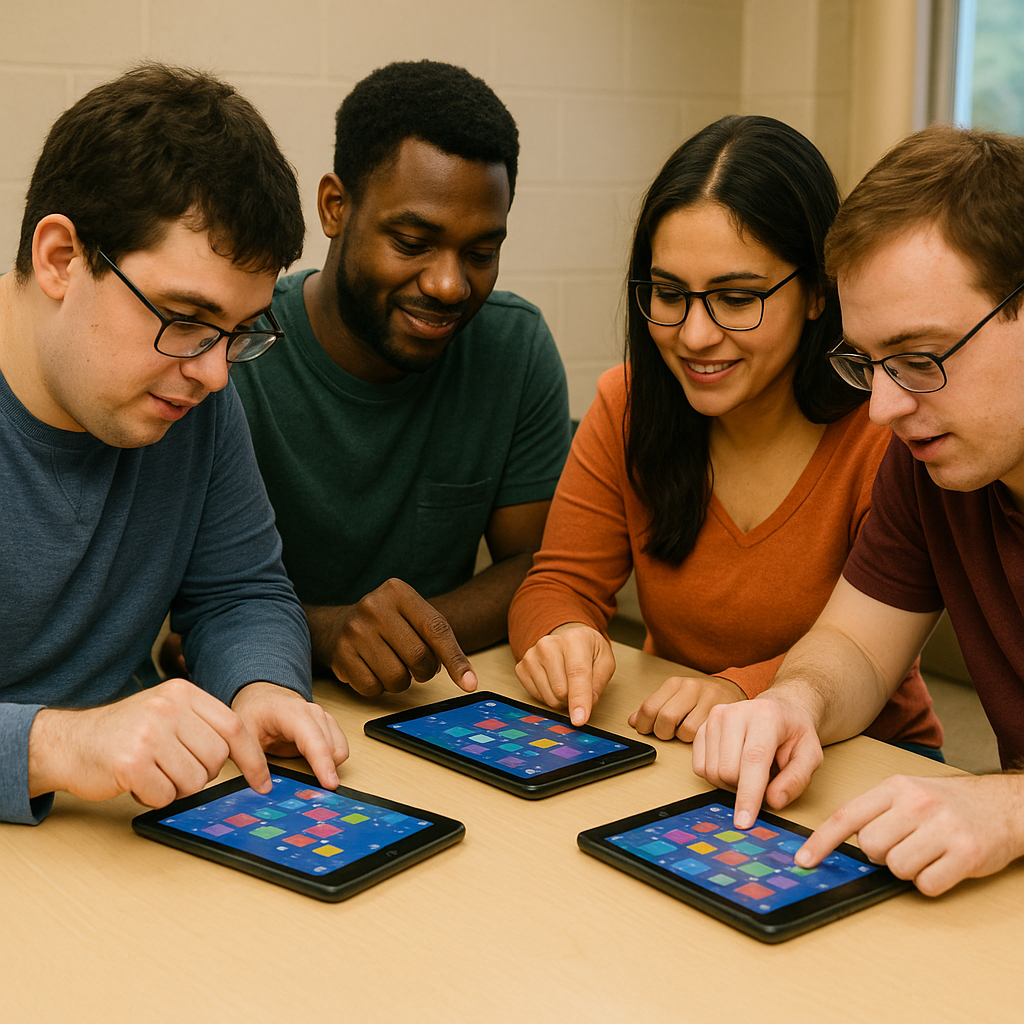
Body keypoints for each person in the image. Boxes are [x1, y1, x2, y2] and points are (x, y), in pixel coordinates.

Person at [509, 116, 940, 761]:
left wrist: (743, 692)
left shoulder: (886, 428)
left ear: (820, 292)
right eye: (668, 293)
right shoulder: (627, 403)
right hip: (681, 746)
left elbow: (864, 651)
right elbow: (556, 583)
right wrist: (563, 634)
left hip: (865, 756)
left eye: (737, 298)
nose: (695, 335)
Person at [0, 64, 347, 827]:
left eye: (239, 331)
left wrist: (263, 689)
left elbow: (240, 592)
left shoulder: (186, 392)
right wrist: (56, 746)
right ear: (61, 259)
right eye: (185, 317)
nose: (215, 373)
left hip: (115, 843)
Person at [692, 123, 1024, 897]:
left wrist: (1007, 808)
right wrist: (792, 701)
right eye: (868, 363)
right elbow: (858, 645)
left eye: (919, 357)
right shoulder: (933, 458)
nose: (882, 407)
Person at [227, 60, 571, 698]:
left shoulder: (513, 346)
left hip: (428, 699)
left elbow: (537, 566)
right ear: (335, 207)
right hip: (266, 701)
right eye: (412, 241)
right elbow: (190, 618)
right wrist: (325, 633)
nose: (449, 284)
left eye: (481, 252)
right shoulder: (234, 351)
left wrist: (410, 637)